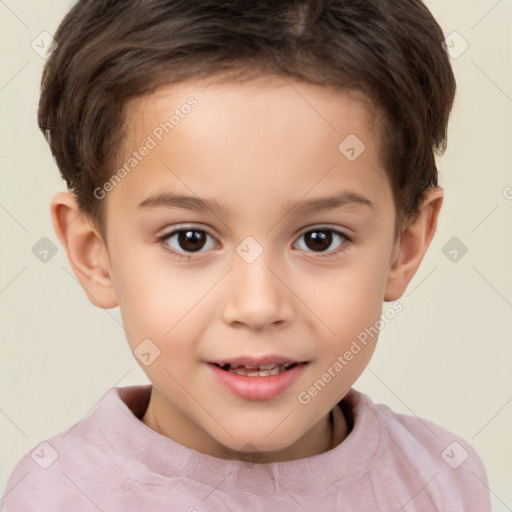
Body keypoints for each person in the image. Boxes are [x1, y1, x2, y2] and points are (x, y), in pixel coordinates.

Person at [2, 0, 491, 510]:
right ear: (93, 253)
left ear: (403, 249)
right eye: (189, 239)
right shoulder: (56, 497)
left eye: (320, 239)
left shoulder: (443, 479)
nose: (258, 306)